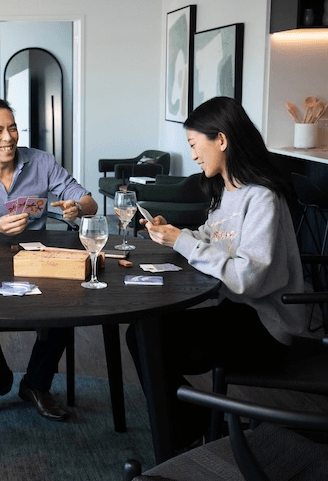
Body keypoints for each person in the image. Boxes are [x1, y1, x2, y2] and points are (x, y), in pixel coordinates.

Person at [125, 96, 306, 450]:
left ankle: (185, 435)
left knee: (148, 342)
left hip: (266, 326)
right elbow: (211, 237)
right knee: (144, 337)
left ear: (221, 140)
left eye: (194, 145)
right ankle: (192, 426)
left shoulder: (262, 197)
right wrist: (176, 234)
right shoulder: (229, 192)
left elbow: (248, 278)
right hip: (238, 313)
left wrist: (183, 243)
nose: (193, 155)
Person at [0, 98, 98, 421]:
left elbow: (87, 200)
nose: (9, 137)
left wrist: (77, 208)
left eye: (12, 128)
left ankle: (36, 385)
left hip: (35, 260)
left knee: (70, 300)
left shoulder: (41, 162)